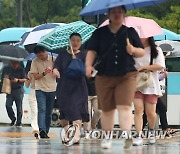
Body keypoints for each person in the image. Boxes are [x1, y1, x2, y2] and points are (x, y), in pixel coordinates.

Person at [86, 6, 145, 149]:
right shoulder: (99, 33)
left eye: (120, 11)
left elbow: (141, 52)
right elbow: (92, 51)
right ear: (108, 14)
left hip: (126, 75)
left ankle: (126, 134)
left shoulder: (129, 32)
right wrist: (88, 66)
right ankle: (107, 137)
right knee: (107, 109)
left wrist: (133, 50)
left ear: (124, 13)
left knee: (124, 105)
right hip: (104, 75)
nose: (117, 14)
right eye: (114, 12)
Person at [53, 33, 89, 145]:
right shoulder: (62, 55)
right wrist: (55, 71)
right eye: (73, 40)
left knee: (76, 110)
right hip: (64, 87)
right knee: (63, 113)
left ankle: (77, 134)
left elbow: (87, 71)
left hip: (79, 87)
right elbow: (56, 67)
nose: (75, 43)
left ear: (81, 42)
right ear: (69, 41)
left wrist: (76, 61)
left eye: (78, 40)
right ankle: (68, 133)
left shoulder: (84, 55)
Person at [133, 37, 165, 146]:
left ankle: (151, 131)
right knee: (138, 110)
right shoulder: (134, 49)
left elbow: (160, 66)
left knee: (151, 112)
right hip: (137, 83)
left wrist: (144, 67)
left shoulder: (156, 50)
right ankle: (138, 135)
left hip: (151, 84)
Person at [30, 46, 56, 139]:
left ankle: (46, 130)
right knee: (42, 110)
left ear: (45, 51)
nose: (41, 57)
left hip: (52, 89)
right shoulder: (35, 61)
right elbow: (35, 76)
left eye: (42, 54)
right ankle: (42, 130)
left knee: (49, 112)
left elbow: (59, 73)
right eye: (38, 55)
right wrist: (44, 73)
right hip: (40, 89)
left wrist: (54, 70)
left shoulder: (54, 59)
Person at [2, 61, 26, 127]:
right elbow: (5, 77)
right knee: (8, 105)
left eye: (15, 63)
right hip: (10, 89)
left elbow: (25, 79)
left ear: (18, 63)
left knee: (19, 106)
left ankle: (19, 122)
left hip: (19, 89)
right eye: (12, 63)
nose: (14, 65)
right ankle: (13, 118)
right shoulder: (9, 69)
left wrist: (18, 80)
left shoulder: (21, 70)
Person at [25, 61, 39, 139]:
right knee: (35, 112)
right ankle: (35, 130)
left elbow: (26, 86)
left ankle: (37, 129)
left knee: (36, 112)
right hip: (34, 92)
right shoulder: (30, 73)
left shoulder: (30, 73)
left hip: (37, 92)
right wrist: (28, 80)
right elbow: (27, 85)